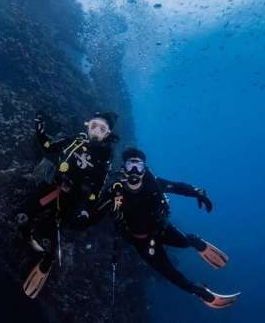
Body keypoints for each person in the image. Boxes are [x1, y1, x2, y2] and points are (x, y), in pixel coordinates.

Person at [97, 147, 240, 309]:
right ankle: (199, 291)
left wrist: (199, 193)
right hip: (142, 242)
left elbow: (177, 187)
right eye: (131, 165)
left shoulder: (153, 182)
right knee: (169, 273)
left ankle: (193, 241)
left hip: (162, 229)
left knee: (185, 243)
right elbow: (96, 209)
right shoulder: (115, 189)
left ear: (145, 167)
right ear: (124, 167)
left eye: (139, 165)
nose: (135, 170)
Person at [19, 111, 119, 298]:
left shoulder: (105, 157)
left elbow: (95, 194)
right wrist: (39, 129)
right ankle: (27, 240)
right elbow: (48, 147)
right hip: (52, 188)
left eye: (102, 129)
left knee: (47, 235)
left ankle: (47, 259)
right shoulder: (76, 140)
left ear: (107, 134)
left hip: (71, 202)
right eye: (94, 126)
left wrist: (83, 200)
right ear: (87, 125)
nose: (96, 131)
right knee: (21, 216)